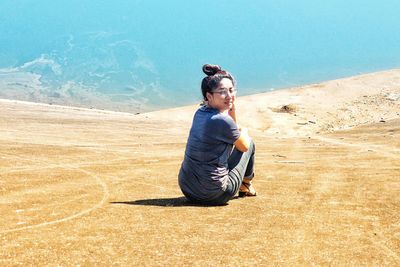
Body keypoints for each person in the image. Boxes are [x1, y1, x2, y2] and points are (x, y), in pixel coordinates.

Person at [178, 64, 256, 205]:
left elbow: (232, 129)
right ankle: (246, 184)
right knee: (249, 142)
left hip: (188, 190)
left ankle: (245, 184)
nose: (229, 95)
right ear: (209, 96)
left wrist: (231, 106)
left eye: (231, 90)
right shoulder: (221, 120)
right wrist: (244, 131)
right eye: (222, 92)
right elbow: (243, 146)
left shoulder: (200, 112)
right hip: (216, 194)